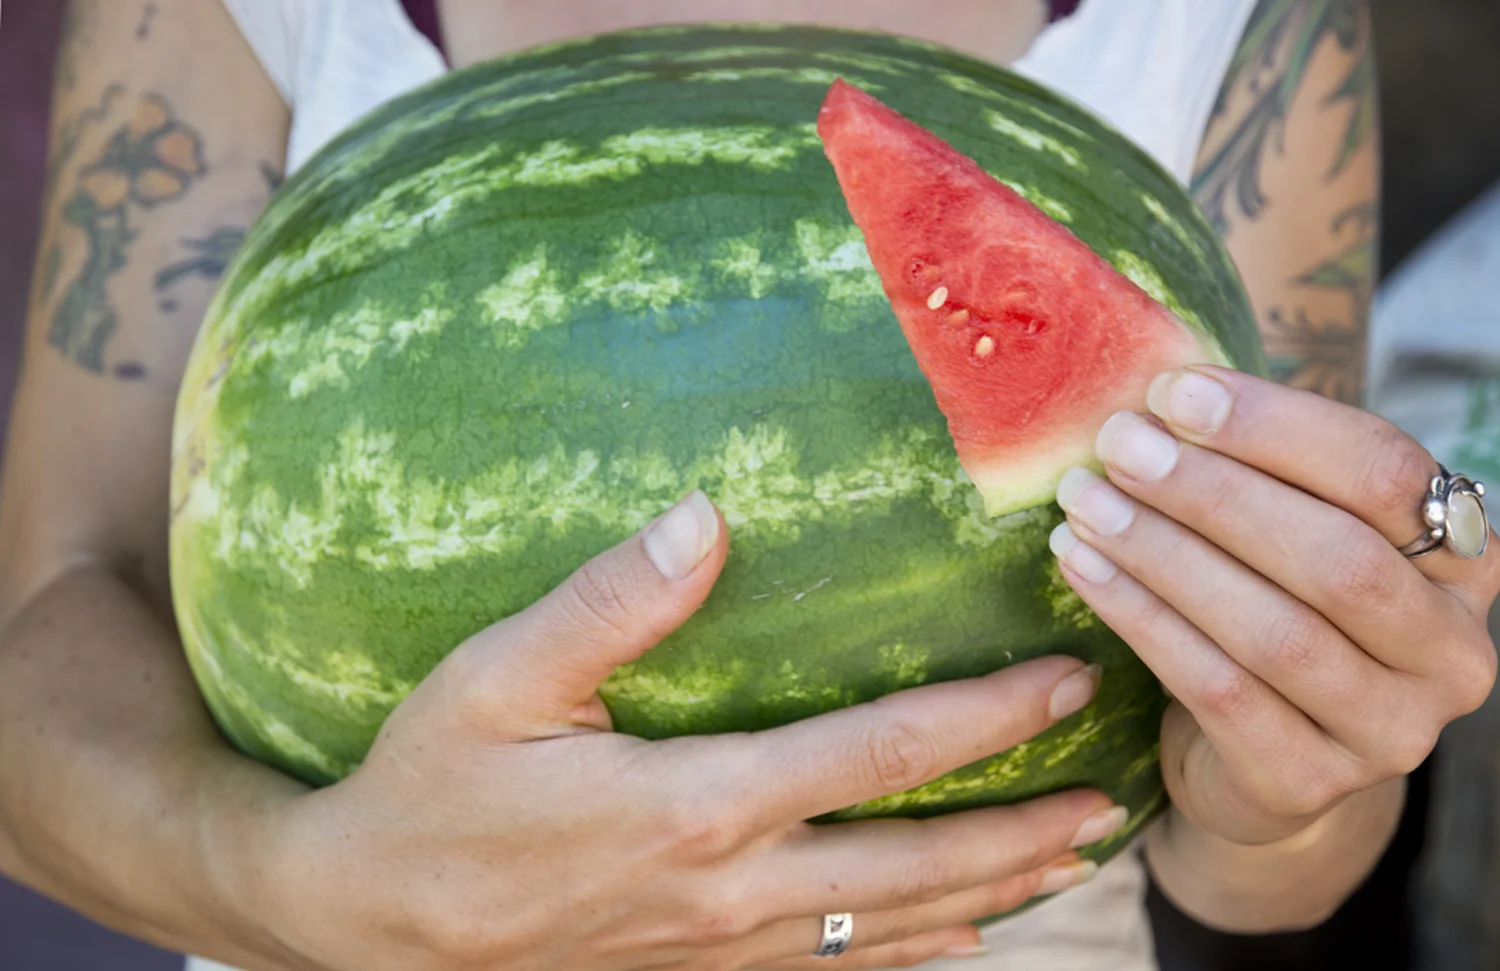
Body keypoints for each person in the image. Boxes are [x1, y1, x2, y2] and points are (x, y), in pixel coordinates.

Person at [0, 1, 1495, 970]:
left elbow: (1259, 879)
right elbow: (38, 664)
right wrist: (294, 884)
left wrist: (1294, 783)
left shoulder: (1249, 34)